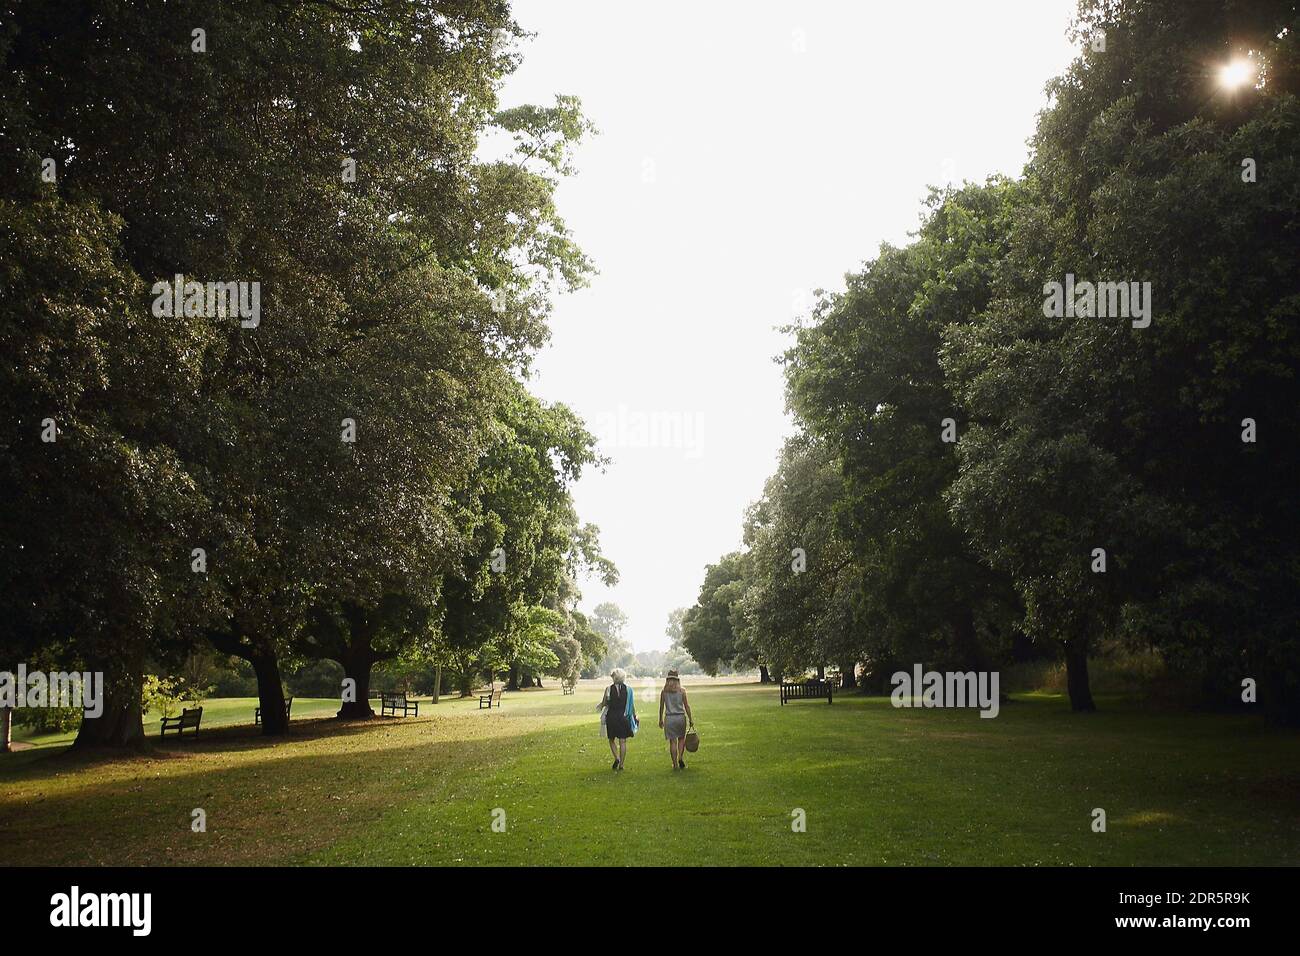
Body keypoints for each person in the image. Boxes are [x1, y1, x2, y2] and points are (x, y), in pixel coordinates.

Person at [598, 668, 637, 770]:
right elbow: (631, 705)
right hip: (623, 718)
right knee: (623, 741)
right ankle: (622, 765)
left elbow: (605, 703)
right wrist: (635, 716)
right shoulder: (629, 690)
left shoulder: (608, 689)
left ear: (614, 678)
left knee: (611, 739)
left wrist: (600, 705)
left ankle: (617, 758)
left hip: (611, 718)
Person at [658, 670, 693, 770]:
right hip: (680, 718)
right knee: (681, 739)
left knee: (672, 742)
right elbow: (687, 706)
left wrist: (660, 719)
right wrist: (690, 719)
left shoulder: (664, 692)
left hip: (669, 718)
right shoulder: (682, 691)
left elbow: (661, 707)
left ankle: (675, 764)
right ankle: (680, 758)